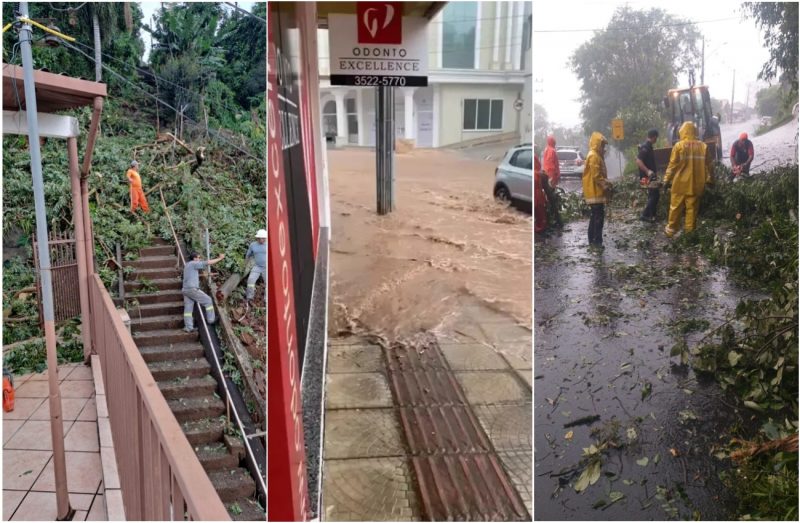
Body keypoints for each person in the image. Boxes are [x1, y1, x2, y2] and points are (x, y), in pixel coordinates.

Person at [664, 121, 713, 237]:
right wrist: (711, 180)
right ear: (694, 131)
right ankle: (689, 235)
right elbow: (710, 166)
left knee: (675, 208)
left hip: (679, 184)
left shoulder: (679, 146)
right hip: (696, 184)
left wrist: (666, 181)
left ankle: (671, 231)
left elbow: (672, 165)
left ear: (682, 131)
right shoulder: (703, 146)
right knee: (692, 211)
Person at [182, 251, 225, 332]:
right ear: (194, 258)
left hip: (185, 290)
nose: (199, 259)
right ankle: (211, 320)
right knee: (208, 300)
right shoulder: (194, 263)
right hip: (192, 289)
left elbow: (193, 275)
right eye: (198, 258)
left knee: (188, 309)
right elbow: (207, 263)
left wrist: (208, 275)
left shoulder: (188, 265)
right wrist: (220, 258)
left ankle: (188, 327)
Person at [582, 132, 612, 248]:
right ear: (597, 144)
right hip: (595, 193)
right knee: (598, 218)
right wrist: (606, 185)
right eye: (602, 145)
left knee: (595, 217)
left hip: (595, 192)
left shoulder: (595, 154)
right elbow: (596, 176)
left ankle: (593, 241)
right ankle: (596, 242)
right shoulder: (594, 156)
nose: (603, 148)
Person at [637, 129, 660, 222]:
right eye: (656, 138)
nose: (656, 139)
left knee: (653, 194)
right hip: (646, 177)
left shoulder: (648, 146)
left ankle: (652, 215)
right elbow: (638, 161)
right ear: (654, 137)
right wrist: (648, 171)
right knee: (655, 194)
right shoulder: (646, 147)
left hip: (648, 176)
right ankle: (645, 215)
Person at [245, 229, 267, 302]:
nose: (262, 240)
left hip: (267, 268)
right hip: (257, 266)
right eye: (260, 238)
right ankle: (249, 297)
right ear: (257, 238)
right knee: (250, 280)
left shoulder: (269, 244)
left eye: (264, 238)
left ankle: (266, 299)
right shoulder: (253, 245)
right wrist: (245, 264)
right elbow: (248, 255)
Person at [533, 154, 548, 233]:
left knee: (538, 212)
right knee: (539, 212)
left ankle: (538, 227)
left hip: (537, 194)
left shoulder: (538, 174)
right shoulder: (537, 174)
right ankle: (539, 227)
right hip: (537, 195)